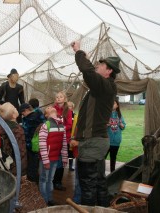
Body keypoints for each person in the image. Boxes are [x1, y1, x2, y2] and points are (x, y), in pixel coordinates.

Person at [71, 40, 120, 206]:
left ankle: (90, 210)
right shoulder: (102, 87)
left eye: (101, 65)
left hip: (93, 143)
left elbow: (87, 70)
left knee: (88, 187)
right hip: (97, 141)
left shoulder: (105, 86)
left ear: (109, 71)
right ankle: (103, 209)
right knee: (98, 182)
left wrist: (79, 52)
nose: (97, 67)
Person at [38, 106, 68, 206]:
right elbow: (41, 143)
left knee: (50, 180)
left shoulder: (61, 125)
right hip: (46, 159)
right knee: (43, 179)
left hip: (55, 158)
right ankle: (44, 201)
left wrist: (64, 157)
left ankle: (49, 199)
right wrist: (45, 160)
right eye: (47, 109)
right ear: (46, 115)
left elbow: (64, 143)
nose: (50, 107)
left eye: (51, 107)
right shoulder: (46, 125)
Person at [0, 102, 27, 176]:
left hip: (6, 162)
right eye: (14, 108)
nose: (16, 108)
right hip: (16, 165)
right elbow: (21, 150)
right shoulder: (17, 130)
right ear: (14, 115)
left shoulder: (2, 127)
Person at [52, 91, 73, 191]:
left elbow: (69, 125)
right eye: (57, 97)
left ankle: (58, 182)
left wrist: (60, 128)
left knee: (61, 161)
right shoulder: (53, 109)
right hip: (53, 138)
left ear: (64, 99)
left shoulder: (68, 111)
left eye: (60, 97)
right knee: (53, 160)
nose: (58, 98)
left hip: (64, 139)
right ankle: (51, 180)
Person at [20, 103, 45, 182]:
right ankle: (35, 178)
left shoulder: (28, 120)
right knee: (36, 163)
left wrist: (21, 127)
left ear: (27, 110)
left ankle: (32, 180)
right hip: (40, 143)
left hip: (30, 144)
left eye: (23, 113)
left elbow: (26, 132)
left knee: (31, 163)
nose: (23, 115)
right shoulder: (40, 115)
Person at [105, 98, 126, 172]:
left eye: (114, 103)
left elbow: (124, 125)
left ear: (117, 105)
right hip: (107, 140)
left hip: (116, 141)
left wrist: (122, 125)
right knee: (102, 157)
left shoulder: (119, 115)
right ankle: (99, 174)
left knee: (113, 158)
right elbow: (101, 125)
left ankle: (112, 174)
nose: (112, 104)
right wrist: (106, 124)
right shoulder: (106, 114)